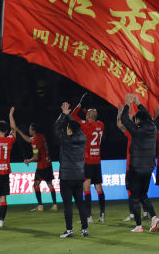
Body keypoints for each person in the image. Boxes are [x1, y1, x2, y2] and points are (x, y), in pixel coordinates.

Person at [119, 94, 159, 233]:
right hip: (148, 168)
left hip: (136, 168)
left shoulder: (136, 130)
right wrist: (138, 103)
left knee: (135, 196)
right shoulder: (153, 127)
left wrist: (127, 104)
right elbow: (148, 116)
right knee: (143, 195)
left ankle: (139, 226)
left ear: (137, 120)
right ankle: (153, 217)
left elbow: (124, 119)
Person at [55, 101, 90, 238]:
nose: (66, 129)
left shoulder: (65, 139)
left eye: (68, 128)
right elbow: (77, 127)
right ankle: (84, 230)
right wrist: (69, 116)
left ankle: (69, 230)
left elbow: (56, 128)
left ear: (70, 130)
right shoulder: (83, 138)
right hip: (79, 176)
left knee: (68, 205)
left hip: (66, 177)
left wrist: (63, 115)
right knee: (80, 203)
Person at [70, 102, 107, 222]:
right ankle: (102, 215)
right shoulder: (101, 125)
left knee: (86, 187)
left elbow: (73, 115)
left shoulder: (85, 126)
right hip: (97, 161)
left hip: (87, 161)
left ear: (88, 117)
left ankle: (88, 216)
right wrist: (87, 112)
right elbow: (93, 118)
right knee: (99, 187)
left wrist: (79, 105)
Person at [13, 119, 56, 211]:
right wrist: (18, 130)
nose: (29, 130)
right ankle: (55, 205)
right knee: (49, 184)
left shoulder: (35, 141)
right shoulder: (41, 136)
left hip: (42, 166)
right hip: (48, 164)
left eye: (30, 129)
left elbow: (36, 157)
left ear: (34, 131)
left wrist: (28, 161)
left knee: (36, 185)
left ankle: (40, 206)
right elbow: (29, 139)